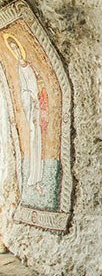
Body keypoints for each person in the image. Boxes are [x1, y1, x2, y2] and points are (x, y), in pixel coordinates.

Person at [6, 35, 43, 188]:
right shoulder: (18, 68)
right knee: (33, 137)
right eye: (13, 49)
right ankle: (33, 178)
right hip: (31, 107)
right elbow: (23, 90)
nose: (17, 52)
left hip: (38, 106)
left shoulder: (30, 65)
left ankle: (38, 175)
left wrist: (37, 95)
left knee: (39, 139)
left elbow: (39, 82)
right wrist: (31, 97)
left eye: (17, 48)